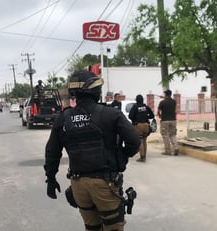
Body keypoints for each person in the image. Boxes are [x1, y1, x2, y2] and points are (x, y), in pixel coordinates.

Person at [44, 71, 140, 231]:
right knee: (113, 228)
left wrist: (50, 178)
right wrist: (121, 157)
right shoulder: (111, 114)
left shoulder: (63, 117)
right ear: (96, 91)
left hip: (78, 186)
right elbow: (134, 142)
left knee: (92, 227)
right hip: (105, 184)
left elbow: (52, 151)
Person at [128, 94, 155, 162]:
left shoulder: (135, 107)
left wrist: (135, 121)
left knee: (140, 141)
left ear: (136, 100)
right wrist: (146, 117)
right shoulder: (146, 107)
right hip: (146, 125)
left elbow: (130, 116)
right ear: (142, 100)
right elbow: (152, 115)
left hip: (138, 126)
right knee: (144, 141)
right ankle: (144, 155)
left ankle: (142, 157)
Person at [157, 89, 179, 156]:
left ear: (165, 95)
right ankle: (176, 147)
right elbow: (169, 100)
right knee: (173, 135)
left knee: (165, 135)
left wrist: (160, 116)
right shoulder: (174, 102)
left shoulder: (162, 102)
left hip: (165, 121)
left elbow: (158, 111)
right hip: (173, 120)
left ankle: (168, 151)